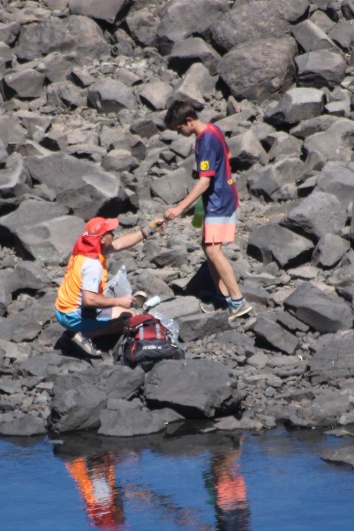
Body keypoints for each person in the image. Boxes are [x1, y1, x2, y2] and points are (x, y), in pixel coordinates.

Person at [163, 100, 253, 319]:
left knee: (213, 250)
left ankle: (238, 301)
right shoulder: (214, 128)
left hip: (218, 199)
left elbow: (204, 181)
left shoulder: (204, 140)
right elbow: (228, 156)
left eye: (179, 128)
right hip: (225, 193)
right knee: (208, 247)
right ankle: (223, 298)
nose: (180, 132)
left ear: (189, 120)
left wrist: (180, 207)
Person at [54, 215, 160, 358]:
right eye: (110, 232)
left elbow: (119, 244)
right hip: (74, 316)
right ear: (102, 239)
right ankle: (81, 334)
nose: (113, 234)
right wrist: (119, 301)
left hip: (62, 309)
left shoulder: (84, 246)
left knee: (116, 306)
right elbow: (89, 301)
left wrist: (149, 229)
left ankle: (79, 331)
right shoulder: (92, 264)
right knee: (129, 316)